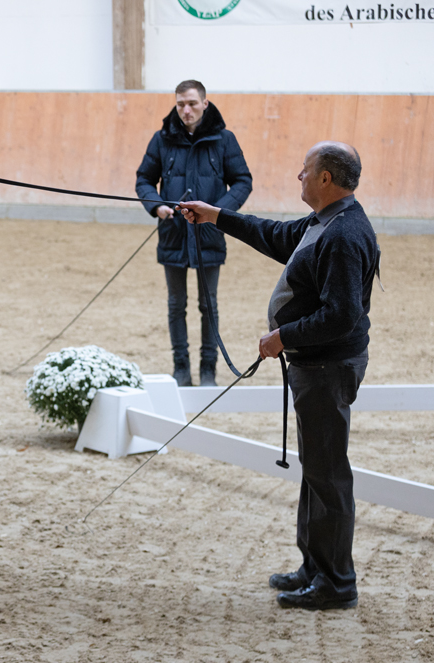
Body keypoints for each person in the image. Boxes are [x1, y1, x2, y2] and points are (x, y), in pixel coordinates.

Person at [177, 141, 380, 611]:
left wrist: (283, 336)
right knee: (317, 471)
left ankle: (337, 583)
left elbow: (342, 315)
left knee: (328, 476)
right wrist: (215, 216)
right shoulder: (323, 221)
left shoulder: (344, 234)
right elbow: (273, 234)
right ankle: (315, 566)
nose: (299, 176)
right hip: (315, 367)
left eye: (305, 170)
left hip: (328, 368)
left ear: (325, 178)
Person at [136, 80, 252, 387]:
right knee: (176, 304)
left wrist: (217, 214)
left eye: (191, 103)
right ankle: (181, 368)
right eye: (180, 104)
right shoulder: (161, 139)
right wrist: (157, 206)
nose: (186, 110)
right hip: (172, 234)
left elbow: (242, 181)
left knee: (207, 304)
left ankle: (208, 369)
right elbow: (144, 180)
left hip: (208, 235)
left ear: (204, 103)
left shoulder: (224, 139)